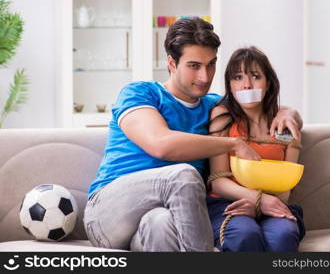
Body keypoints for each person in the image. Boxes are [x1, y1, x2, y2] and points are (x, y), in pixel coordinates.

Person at [83, 17, 303, 252]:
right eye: (194, 66)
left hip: (159, 219)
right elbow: (161, 144)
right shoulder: (140, 93)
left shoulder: (214, 107)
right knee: (184, 176)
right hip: (108, 214)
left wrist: (288, 113)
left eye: (211, 65)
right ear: (171, 63)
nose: (205, 77)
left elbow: (256, 101)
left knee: (160, 223)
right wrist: (233, 144)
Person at [206, 46, 305, 252]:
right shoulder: (222, 117)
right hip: (229, 202)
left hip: (275, 203)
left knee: (284, 235)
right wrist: (257, 200)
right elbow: (217, 181)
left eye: (255, 76)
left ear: (268, 83)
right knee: (244, 235)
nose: (246, 85)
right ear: (230, 86)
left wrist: (260, 205)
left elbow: (287, 185)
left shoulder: (285, 124)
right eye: (238, 77)